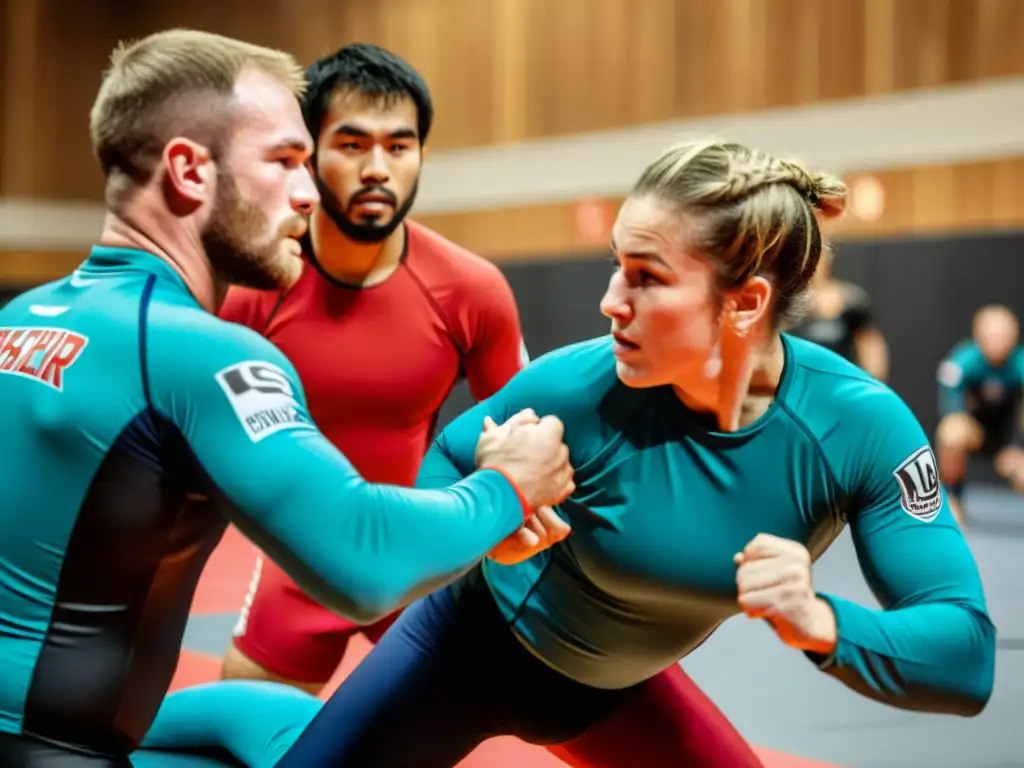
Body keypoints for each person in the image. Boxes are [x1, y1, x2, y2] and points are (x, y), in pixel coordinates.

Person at [268, 139, 994, 767]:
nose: (611, 300)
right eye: (617, 266)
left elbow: (965, 655)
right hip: (459, 654)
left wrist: (825, 622)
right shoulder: (575, 387)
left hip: (623, 695)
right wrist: (482, 520)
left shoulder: (858, 429)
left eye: (646, 278)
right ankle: (240, 715)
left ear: (744, 303)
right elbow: (445, 468)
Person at [0, 29, 574, 767]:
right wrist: (509, 487)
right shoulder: (202, 349)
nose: (309, 194)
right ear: (188, 171)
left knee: (263, 713)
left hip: (49, 720)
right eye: (284, 161)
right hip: (60, 748)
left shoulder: (21, 319)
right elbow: (363, 562)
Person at [218, 43, 537, 696]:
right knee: (237, 737)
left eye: (399, 146)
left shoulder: (471, 291)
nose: (376, 168)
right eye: (353, 144)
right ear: (307, 156)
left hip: (425, 558)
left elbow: (523, 437)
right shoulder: (254, 289)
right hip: (298, 563)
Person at [936, 304, 1024, 524]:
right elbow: (952, 410)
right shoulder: (962, 362)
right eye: (992, 335)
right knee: (951, 431)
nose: (998, 342)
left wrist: (1018, 448)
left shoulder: (1020, 364)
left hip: (1009, 441)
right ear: (978, 336)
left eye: (1003, 335)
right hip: (975, 434)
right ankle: (952, 498)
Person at [788, 244, 889, 381]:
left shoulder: (849, 298)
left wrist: (873, 382)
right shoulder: (787, 302)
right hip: (800, 382)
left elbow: (869, 343)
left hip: (841, 380)